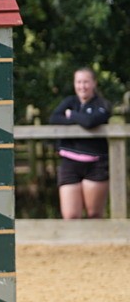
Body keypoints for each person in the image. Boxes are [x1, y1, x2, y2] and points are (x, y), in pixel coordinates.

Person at [50, 67, 112, 219]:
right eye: (78, 82)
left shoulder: (102, 104)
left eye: (86, 82)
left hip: (96, 164)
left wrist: (71, 115)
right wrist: (80, 120)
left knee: (94, 214)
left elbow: (91, 121)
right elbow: (54, 119)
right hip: (69, 163)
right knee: (70, 216)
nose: (82, 86)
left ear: (94, 83)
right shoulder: (69, 101)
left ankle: (98, 243)